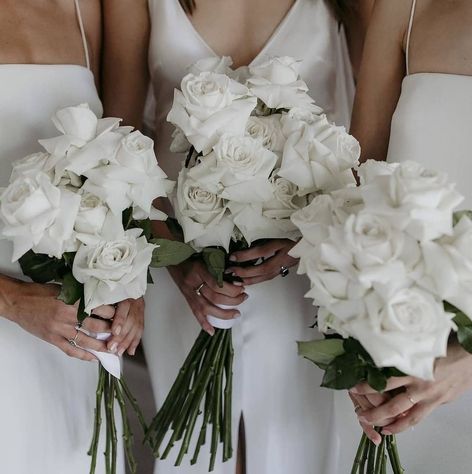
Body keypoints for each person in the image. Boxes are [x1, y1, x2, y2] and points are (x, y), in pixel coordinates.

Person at [103, 0, 372, 472]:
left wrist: (306, 247)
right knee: (195, 455)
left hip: (302, 267)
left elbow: (367, 142)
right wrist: (177, 260)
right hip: (182, 265)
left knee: (293, 442)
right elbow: (121, 138)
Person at [0, 1, 143, 472]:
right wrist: (15, 303)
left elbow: (125, 162)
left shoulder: (96, 8)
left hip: (73, 330)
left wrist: (129, 280)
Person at [348, 0, 472, 471]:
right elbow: (356, 183)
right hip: (395, 360)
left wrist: (469, 363)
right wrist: (353, 335)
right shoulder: (405, 5)